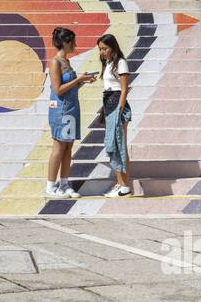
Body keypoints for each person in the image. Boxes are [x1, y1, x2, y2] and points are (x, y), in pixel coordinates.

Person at [46, 27, 95, 198]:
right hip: (61, 110)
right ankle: (50, 186)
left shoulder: (68, 62)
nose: (75, 44)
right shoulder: (55, 62)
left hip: (72, 108)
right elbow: (58, 89)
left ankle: (64, 184)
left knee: (68, 148)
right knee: (59, 147)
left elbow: (70, 87)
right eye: (73, 41)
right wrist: (79, 79)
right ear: (65, 42)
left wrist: (83, 81)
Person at [97, 33, 135, 196]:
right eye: (100, 49)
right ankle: (122, 184)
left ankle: (122, 184)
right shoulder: (108, 63)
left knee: (118, 144)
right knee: (114, 144)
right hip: (108, 103)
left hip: (117, 105)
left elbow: (124, 88)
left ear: (113, 47)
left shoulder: (120, 63)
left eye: (104, 48)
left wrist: (119, 108)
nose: (102, 52)